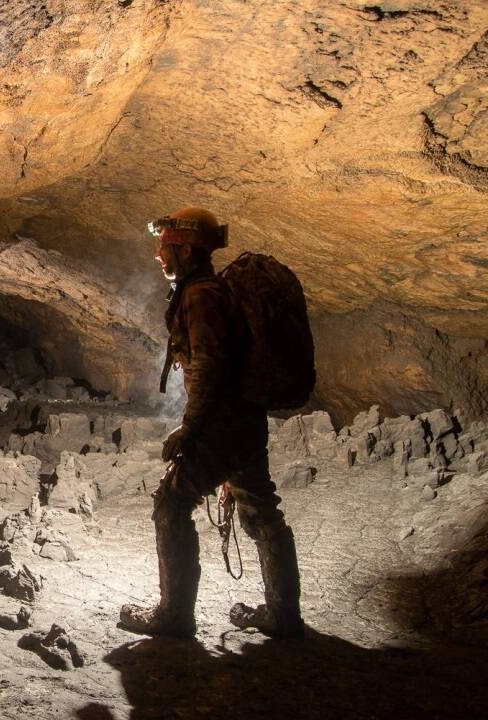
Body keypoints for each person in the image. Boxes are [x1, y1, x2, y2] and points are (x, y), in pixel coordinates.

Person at [119, 207, 305, 639]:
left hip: (221, 422)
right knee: (260, 510)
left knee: (170, 504)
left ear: (185, 249)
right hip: (245, 420)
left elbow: (208, 365)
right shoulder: (210, 290)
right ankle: (284, 614)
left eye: (163, 245)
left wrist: (190, 429)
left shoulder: (201, 295)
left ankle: (174, 615)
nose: (157, 254)